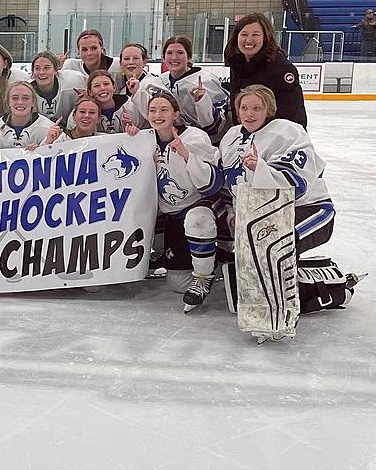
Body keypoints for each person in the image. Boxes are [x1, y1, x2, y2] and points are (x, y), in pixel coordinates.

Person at [219, 85, 361, 312]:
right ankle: (300, 278)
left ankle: (327, 290)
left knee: (275, 245)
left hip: (310, 210)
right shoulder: (231, 137)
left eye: (257, 108)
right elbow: (228, 187)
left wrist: (261, 169)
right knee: (254, 264)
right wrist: (233, 214)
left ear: (269, 109)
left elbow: (297, 185)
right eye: (244, 108)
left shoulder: (288, 131)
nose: (249, 114)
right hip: (261, 216)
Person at [126, 94, 222, 311]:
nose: (157, 115)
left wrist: (186, 155)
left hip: (200, 204)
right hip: (171, 214)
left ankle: (204, 275)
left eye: (164, 110)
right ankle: (167, 253)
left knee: (197, 220)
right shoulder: (145, 141)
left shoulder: (194, 137)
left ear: (176, 114)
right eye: (152, 110)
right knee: (177, 283)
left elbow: (212, 184)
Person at [224, 13, 307, 129]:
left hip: (275, 138)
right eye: (244, 34)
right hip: (246, 135)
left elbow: (292, 113)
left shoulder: (280, 68)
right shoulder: (237, 63)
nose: (248, 40)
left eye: (255, 35)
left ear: (265, 37)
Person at [159, 36, 230, 143]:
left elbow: (217, 126)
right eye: (169, 53)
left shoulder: (206, 81)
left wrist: (202, 103)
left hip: (204, 143)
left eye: (180, 53)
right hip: (173, 141)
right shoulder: (160, 81)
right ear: (164, 57)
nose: (174, 57)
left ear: (189, 56)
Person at [0, 81, 54, 150]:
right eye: (15, 98)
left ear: (33, 102)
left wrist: (43, 149)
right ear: (8, 101)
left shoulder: (48, 129)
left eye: (25, 98)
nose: (20, 102)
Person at [29, 50, 86, 122]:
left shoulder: (74, 82)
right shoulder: (25, 91)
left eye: (46, 68)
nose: (41, 72)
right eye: (37, 68)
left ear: (56, 70)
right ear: (32, 72)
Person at [118, 44, 162, 128]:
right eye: (126, 59)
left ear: (144, 62)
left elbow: (158, 115)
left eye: (136, 58)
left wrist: (138, 93)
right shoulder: (122, 90)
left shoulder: (154, 84)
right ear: (120, 63)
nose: (131, 62)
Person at [87, 70, 134, 134]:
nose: (102, 88)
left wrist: (132, 128)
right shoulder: (83, 112)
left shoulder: (131, 105)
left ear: (114, 87)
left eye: (106, 84)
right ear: (90, 92)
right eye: (97, 86)